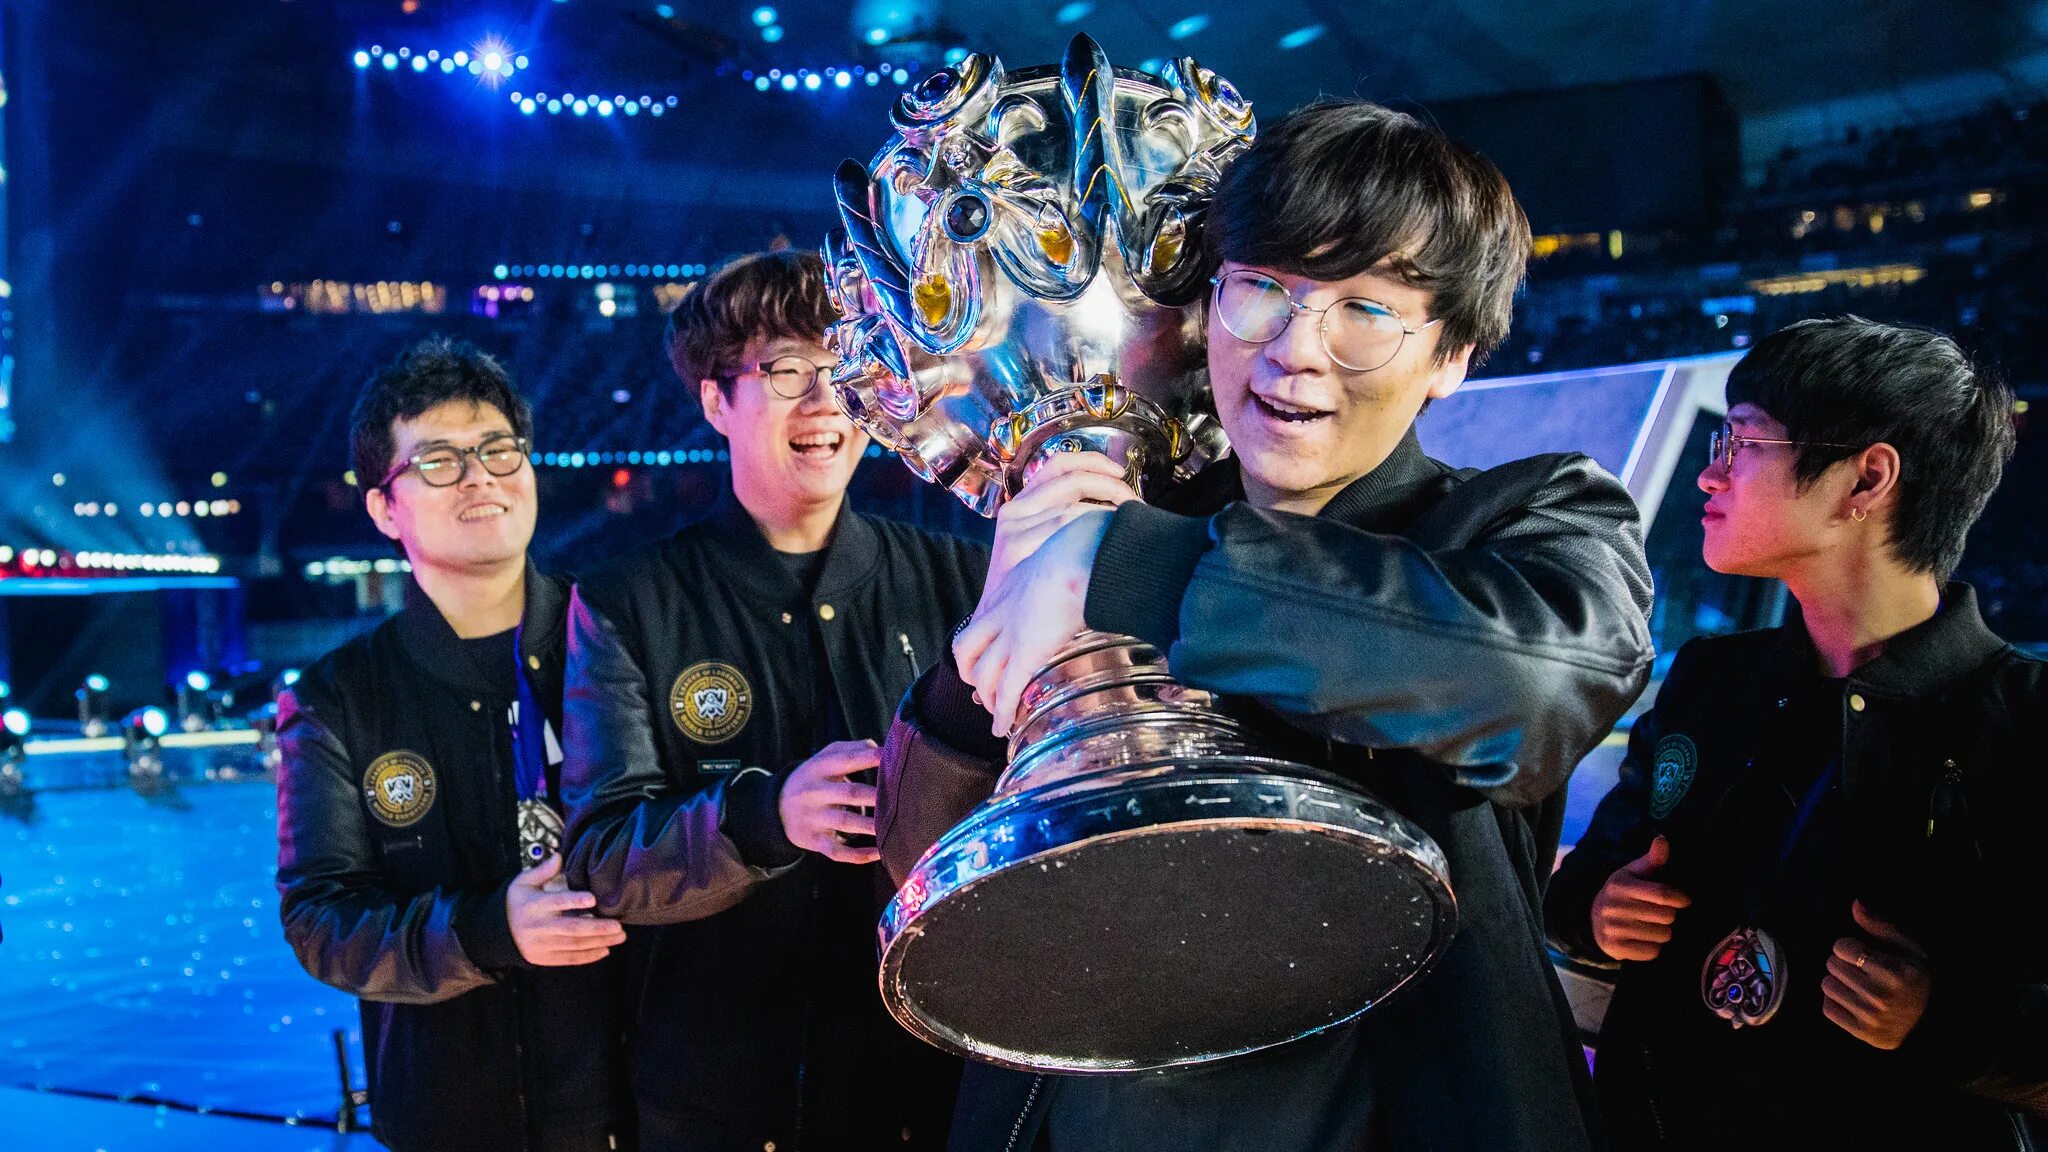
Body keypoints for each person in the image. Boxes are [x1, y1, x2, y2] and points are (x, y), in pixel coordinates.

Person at [878, 99, 1655, 1151]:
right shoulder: (1107, 524)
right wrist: (985, 665)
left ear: (1452, 356)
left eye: (1364, 309)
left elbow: (1542, 684)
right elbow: (923, 860)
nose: (1296, 351)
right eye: (1262, 290)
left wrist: (1126, 567)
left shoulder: (1522, 517)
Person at [1547, 317, 2046, 1147]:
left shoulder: (2023, 722)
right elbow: (1582, 884)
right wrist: (1601, 911)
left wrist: (1937, 1018)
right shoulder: (1710, 681)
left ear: (1867, 478)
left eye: (1743, 442)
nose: (1710, 474)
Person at [559, 251, 989, 1151]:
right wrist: (765, 817)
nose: (825, 400)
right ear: (715, 401)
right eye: (787, 370)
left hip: (929, 1089)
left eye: (845, 367)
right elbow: (601, 858)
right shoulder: (627, 601)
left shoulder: (962, 578)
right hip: (717, 1099)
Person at [276, 337, 632, 1152]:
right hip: (447, 1114)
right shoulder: (338, 698)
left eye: (497, 449)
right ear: (383, 509)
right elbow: (321, 922)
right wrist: (485, 931)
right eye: (437, 461)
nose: (479, 477)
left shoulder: (624, 637)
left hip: (638, 1103)